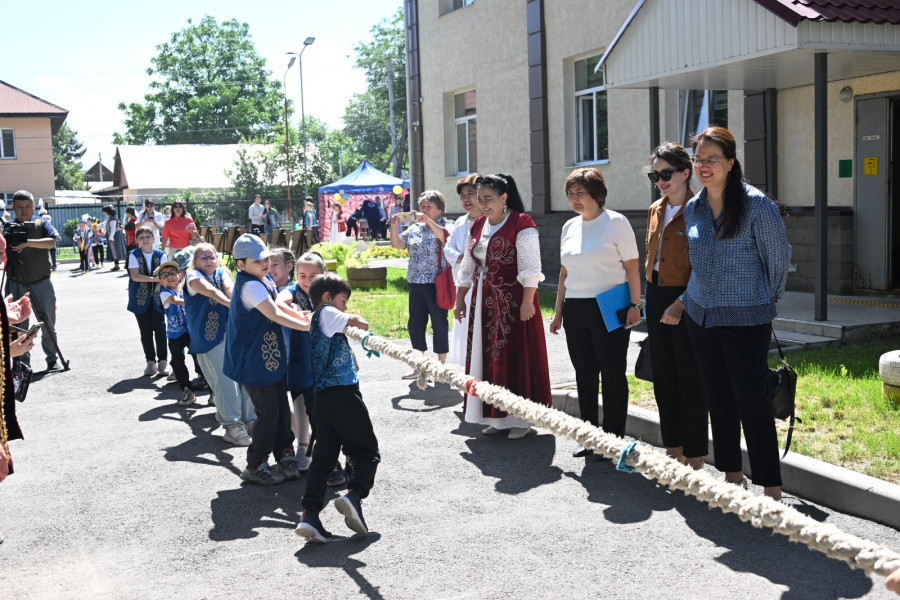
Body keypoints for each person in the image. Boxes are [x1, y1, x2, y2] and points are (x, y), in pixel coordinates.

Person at [683, 126, 791, 500]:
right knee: (718, 397)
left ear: (730, 162)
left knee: (753, 403)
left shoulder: (758, 205)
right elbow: (695, 264)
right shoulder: (693, 208)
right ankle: (731, 476)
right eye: (699, 160)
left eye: (712, 159)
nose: (704, 166)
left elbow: (778, 262)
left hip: (747, 319)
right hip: (701, 317)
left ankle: (770, 488)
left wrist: (763, 298)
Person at [550, 168, 641, 455]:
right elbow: (564, 272)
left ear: (597, 194)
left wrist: (636, 305)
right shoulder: (569, 227)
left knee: (612, 373)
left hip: (609, 304)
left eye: (581, 193)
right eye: (570, 194)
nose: (574, 199)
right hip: (575, 307)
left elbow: (633, 269)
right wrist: (557, 312)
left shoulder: (616, 222)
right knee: (584, 373)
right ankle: (590, 437)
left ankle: (613, 441)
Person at [455, 174, 551, 439]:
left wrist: (528, 302)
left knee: (514, 356)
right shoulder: (478, 226)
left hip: (513, 301)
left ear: (504, 197)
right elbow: (468, 266)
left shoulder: (522, 223)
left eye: (488, 198)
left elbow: (531, 267)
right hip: (483, 302)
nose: (483, 204)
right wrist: (460, 298)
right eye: (479, 198)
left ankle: (520, 419)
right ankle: (494, 416)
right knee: (485, 359)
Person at [295, 272, 379, 543]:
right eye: (343, 301)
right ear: (328, 297)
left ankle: (309, 515)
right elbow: (359, 323)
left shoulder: (319, 320)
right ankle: (355, 495)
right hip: (342, 394)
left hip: (323, 399)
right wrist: (354, 319)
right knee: (366, 452)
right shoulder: (327, 312)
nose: (344, 307)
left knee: (324, 458)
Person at [224, 234, 311, 485]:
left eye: (266, 258)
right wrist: (306, 327)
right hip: (252, 361)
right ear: (241, 264)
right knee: (268, 413)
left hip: (268, 359)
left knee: (281, 409)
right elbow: (274, 313)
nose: (265, 263)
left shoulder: (263, 280)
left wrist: (302, 316)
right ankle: (255, 463)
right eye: (257, 260)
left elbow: (279, 305)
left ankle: (284, 453)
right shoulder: (250, 285)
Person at [643, 143, 708, 469]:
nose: (660, 180)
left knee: (689, 378)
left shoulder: (702, 209)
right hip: (655, 296)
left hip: (688, 297)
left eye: (666, 173)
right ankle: (673, 449)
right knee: (664, 376)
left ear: (685, 172)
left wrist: (681, 303)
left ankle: (694, 456)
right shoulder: (656, 209)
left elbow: (706, 266)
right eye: (655, 175)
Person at [185, 243, 255, 447]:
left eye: (212, 257)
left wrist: (235, 298)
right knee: (226, 381)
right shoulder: (192, 277)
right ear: (195, 262)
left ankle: (250, 419)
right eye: (203, 258)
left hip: (233, 334)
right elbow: (209, 291)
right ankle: (232, 426)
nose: (209, 261)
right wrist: (232, 305)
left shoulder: (223, 272)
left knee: (244, 376)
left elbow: (228, 287)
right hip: (208, 338)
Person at [390, 190, 450, 379]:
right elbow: (398, 245)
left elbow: (445, 238)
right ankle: (419, 364)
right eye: (422, 206)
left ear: (439, 209)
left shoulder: (447, 225)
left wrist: (428, 221)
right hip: (415, 281)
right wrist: (394, 227)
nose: (424, 210)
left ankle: (441, 366)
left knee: (439, 323)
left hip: (436, 283)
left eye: (429, 207)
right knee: (416, 324)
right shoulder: (414, 228)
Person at [276, 251, 323, 473]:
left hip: (323, 357)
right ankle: (303, 446)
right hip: (298, 356)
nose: (307, 281)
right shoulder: (292, 291)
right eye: (302, 275)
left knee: (320, 407)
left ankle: (320, 450)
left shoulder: (326, 292)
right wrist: (296, 313)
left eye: (313, 276)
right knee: (300, 399)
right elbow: (279, 301)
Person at [4, 190, 60, 371]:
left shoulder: (41, 223)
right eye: (19, 207)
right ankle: (21, 364)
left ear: (33, 206)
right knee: (18, 326)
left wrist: (26, 242)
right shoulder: (7, 226)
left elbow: (51, 242)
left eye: (27, 206)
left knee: (48, 324)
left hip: (41, 281)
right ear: (13, 207)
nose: (24, 210)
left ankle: (52, 359)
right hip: (16, 281)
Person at [444, 174, 483, 367]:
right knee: (465, 323)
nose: (466, 199)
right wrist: (463, 257)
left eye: (471, 194)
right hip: (463, 283)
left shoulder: (489, 219)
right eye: (463, 195)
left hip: (483, 283)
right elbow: (448, 248)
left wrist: (468, 257)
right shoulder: (460, 222)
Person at [127, 225, 169, 377]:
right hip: (139, 299)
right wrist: (155, 279)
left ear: (154, 238)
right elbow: (135, 276)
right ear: (137, 240)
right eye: (142, 237)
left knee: (160, 330)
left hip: (158, 299)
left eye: (148, 237)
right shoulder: (133, 254)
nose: (145, 240)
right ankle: (150, 362)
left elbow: (166, 274)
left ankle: (163, 361)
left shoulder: (161, 255)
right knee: (145, 331)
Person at [157, 260, 196, 407]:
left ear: (179, 275)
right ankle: (187, 388)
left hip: (192, 331)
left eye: (172, 273)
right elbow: (176, 301)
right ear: (160, 280)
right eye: (165, 275)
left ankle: (210, 388)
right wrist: (195, 300)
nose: (170, 276)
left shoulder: (185, 288)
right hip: (175, 334)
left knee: (200, 359)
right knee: (177, 361)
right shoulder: (164, 293)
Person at [102, 205, 127, 271]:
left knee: (117, 251)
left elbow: (113, 229)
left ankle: (118, 265)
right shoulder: (108, 218)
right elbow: (104, 225)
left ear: (107, 211)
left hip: (115, 237)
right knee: (114, 251)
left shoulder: (112, 219)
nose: (103, 212)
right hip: (112, 236)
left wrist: (111, 237)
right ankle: (116, 265)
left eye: (104, 211)